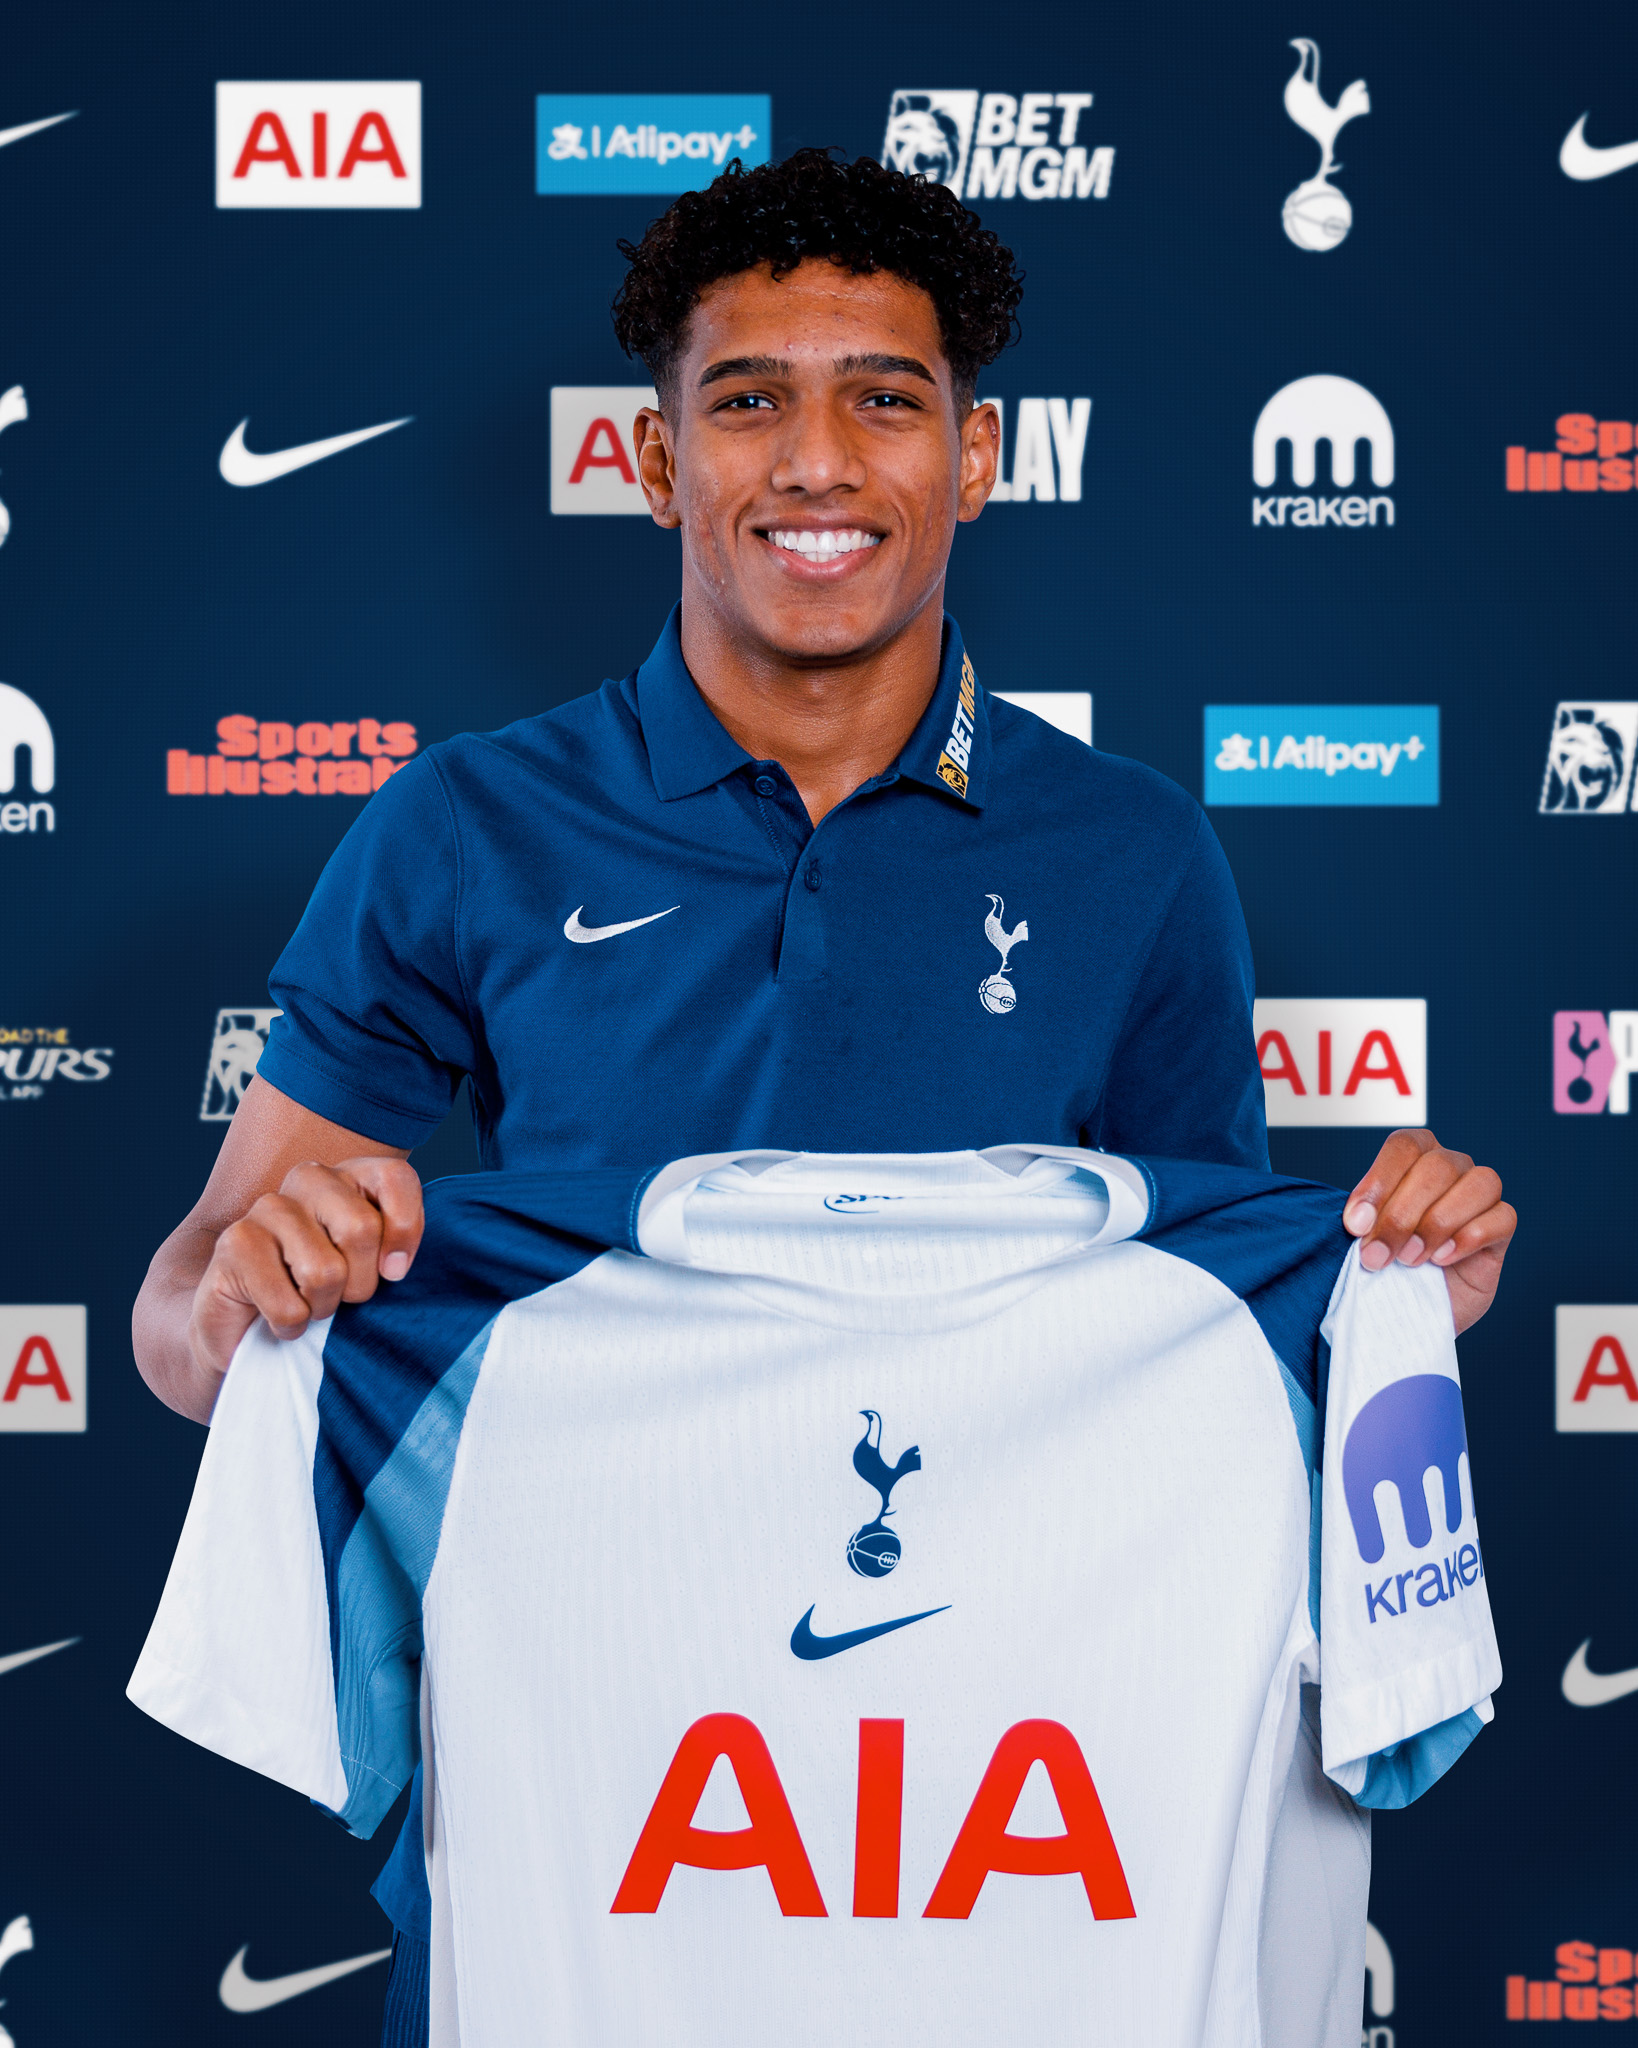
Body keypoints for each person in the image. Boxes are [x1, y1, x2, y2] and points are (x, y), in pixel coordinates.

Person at [132, 148, 1515, 2043]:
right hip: (600, 1754)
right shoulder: (461, 826)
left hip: (1007, 1772)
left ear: (976, 457)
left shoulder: (1133, 852)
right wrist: (248, 1292)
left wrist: (1387, 1313)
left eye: (884, 398)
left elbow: (1214, 1346)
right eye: (746, 400)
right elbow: (185, 1320)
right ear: (651, 461)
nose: (814, 462)